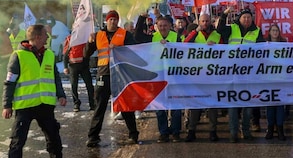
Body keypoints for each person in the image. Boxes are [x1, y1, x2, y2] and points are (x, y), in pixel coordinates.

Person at [2, 24, 67, 158]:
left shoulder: (49, 55)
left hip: (45, 105)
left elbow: (55, 77)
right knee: (17, 142)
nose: (47, 38)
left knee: (53, 137)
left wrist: (61, 94)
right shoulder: (18, 56)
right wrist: (7, 105)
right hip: (25, 107)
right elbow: (9, 82)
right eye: (45, 35)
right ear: (38, 37)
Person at [86, 10, 139, 147]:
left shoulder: (125, 34)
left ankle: (133, 134)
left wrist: (120, 49)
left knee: (125, 106)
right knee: (100, 107)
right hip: (103, 75)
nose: (113, 22)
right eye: (111, 19)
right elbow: (86, 54)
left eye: (115, 19)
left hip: (120, 75)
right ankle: (93, 137)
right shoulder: (98, 35)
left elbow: (135, 51)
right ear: (106, 21)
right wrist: (89, 41)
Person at [216, 6, 265, 142]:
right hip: (232, 72)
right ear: (240, 18)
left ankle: (246, 130)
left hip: (249, 73)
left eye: (249, 17)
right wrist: (223, 15)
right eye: (244, 17)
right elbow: (219, 29)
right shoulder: (232, 28)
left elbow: (262, 51)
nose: (247, 20)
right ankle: (233, 132)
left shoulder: (257, 32)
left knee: (247, 103)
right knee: (233, 103)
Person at [137, 15, 183, 143]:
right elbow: (137, 36)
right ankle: (163, 132)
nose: (163, 28)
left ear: (170, 26)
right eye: (160, 26)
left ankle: (175, 132)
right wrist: (141, 18)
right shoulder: (153, 37)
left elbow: (186, 50)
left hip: (174, 74)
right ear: (156, 27)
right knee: (160, 106)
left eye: (165, 25)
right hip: (158, 75)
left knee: (176, 105)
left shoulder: (177, 37)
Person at [183, 13, 222, 142]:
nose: (205, 23)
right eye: (203, 21)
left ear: (210, 22)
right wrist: (195, 32)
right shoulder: (195, 34)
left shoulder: (217, 35)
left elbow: (225, 52)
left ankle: (213, 131)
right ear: (199, 22)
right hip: (197, 76)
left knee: (212, 106)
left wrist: (216, 47)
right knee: (195, 104)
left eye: (207, 21)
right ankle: (191, 130)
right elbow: (184, 44)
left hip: (212, 76)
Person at [264, 23, 287, 140]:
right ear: (269, 32)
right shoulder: (264, 45)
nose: (274, 32)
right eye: (272, 30)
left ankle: (280, 129)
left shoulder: (284, 44)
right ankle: (270, 128)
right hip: (268, 79)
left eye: (276, 30)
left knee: (280, 105)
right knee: (270, 105)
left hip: (281, 79)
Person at [62, 34, 96, 112]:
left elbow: (89, 49)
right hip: (73, 65)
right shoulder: (69, 38)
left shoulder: (85, 37)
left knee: (89, 85)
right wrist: (65, 66)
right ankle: (76, 103)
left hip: (84, 65)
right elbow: (66, 53)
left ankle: (92, 104)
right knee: (74, 86)